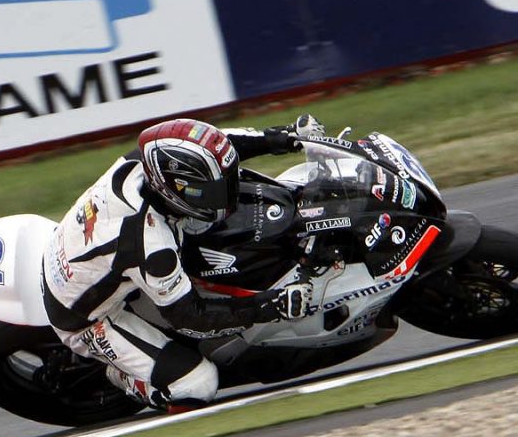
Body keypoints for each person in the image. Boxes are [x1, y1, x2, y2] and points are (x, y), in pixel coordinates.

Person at [41, 115, 324, 413]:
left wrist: (283, 137)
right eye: (213, 191)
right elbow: (189, 316)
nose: (227, 196)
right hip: (84, 316)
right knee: (198, 385)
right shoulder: (151, 245)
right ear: (173, 190)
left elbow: (221, 146)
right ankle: (119, 376)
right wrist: (269, 306)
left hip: (79, 254)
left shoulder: (146, 161)